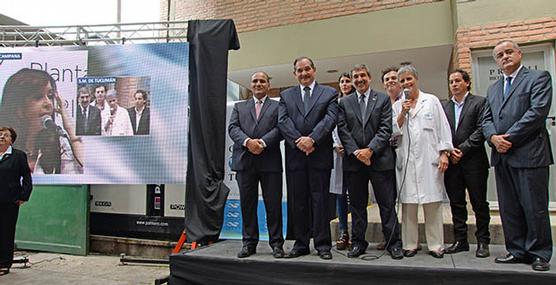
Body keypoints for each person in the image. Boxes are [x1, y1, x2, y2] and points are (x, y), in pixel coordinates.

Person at [482, 40, 553, 271]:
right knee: (509, 207)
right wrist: (493, 138)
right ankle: (516, 250)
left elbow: (537, 112)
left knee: (534, 207)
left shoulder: (538, 78)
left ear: (520, 54)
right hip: (502, 157)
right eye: (500, 55)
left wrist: (508, 138)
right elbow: (486, 119)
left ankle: (539, 252)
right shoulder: (493, 88)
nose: (505, 57)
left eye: (508, 52)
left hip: (529, 154)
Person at [337, 64, 403, 259]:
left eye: (362, 75)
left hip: (380, 160)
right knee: (357, 206)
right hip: (354, 162)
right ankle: (358, 243)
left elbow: (385, 129)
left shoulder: (382, 99)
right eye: (355, 76)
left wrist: (370, 151)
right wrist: (357, 152)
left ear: (369, 77)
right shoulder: (344, 102)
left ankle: (393, 243)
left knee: (387, 204)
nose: (359, 79)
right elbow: (342, 130)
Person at [278, 56, 338, 260]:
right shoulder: (286, 95)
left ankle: (323, 245)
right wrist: (300, 142)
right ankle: (301, 243)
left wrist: (312, 140)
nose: (304, 73)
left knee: (320, 201)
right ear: (295, 74)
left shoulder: (330, 93)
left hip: (319, 155)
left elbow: (330, 119)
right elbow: (283, 121)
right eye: (299, 70)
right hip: (296, 157)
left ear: (314, 70)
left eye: (307, 69)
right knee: (299, 201)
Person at [392, 65, 452, 259]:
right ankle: (410, 244)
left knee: (432, 203)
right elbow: (393, 133)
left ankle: (436, 245)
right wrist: (402, 112)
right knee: (408, 204)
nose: (406, 83)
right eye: (402, 81)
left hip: (429, 160)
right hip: (407, 162)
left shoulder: (431, 101)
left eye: (409, 79)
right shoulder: (396, 105)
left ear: (416, 79)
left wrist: (444, 153)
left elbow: (443, 128)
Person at [228, 71, 284, 259]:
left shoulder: (278, 106)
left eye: (262, 81)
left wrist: (262, 143)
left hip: (270, 162)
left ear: (268, 84)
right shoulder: (239, 106)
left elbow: (281, 128)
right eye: (255, 81)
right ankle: (249, 243)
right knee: (247, 204)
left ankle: (276, 243)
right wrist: (248, 143)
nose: (258, 84)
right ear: (250, 85)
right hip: (245, 162)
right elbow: (233, 128)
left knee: (273, 205)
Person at [442, 69, 491, 258]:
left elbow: (481, 129)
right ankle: (460, 241)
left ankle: (483, 241)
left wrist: (462, 149)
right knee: (457, 203)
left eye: (457, 81)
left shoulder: (479, 102)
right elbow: (441, 132)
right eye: (451, 81)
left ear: (467, 83)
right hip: (452, 163)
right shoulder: (444, 107)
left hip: (474, 162)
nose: (454, 84)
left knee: (479, 203)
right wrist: (448, 150)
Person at [0, 68, 83, 174]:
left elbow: (84, 171)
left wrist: (70, 129)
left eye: (50, 96)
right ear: (19, 108)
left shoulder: (58, 143)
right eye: (38, 97)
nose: (48, 103)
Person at [0, 127, 32, 276]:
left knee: (6, 232)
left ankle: (4, 264)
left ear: (11, 140)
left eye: (5, 135)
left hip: (9, 200)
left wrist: (23, 196)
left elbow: (26, 177)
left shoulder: (18, 156)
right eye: (0, 135)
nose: (1, 137)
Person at [331, 72, 352, 251]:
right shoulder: (335, 104)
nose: (345, 84)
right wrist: (336, 145)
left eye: (348, 81)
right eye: (342, 82)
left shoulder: (356, 102)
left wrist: (351, 147)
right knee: (340, 195)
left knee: (355, 196)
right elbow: (331, 127)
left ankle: (357, 233)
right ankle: (343, 232)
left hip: (354, 154)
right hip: (338, 155)